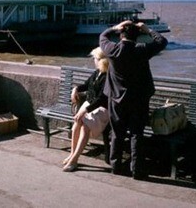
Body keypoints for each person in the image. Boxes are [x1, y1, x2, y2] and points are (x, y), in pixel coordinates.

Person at [100, 20, 168, 180]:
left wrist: (114, 28)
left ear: (120, 35)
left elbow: (103, 35)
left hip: (116, 99)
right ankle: (137, 170)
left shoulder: (112, 49)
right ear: (138, 37)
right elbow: (162, 41)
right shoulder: (142, 50)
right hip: (138, 100)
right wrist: (148, 29)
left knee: (117, 133)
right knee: (137, 134)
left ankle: (116, 166)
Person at [62, 47, 110, 172]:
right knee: (76, 125)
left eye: (95, 58)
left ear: (100, 60)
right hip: (90, 105)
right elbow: (86, 85)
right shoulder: (97, 73)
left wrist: (85, 110)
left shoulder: (107, 77)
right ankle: (73, 154)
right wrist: (76, 89)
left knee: (85, 127)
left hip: (101, 109)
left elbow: (102, 99)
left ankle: (74, 160)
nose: (93, 60)